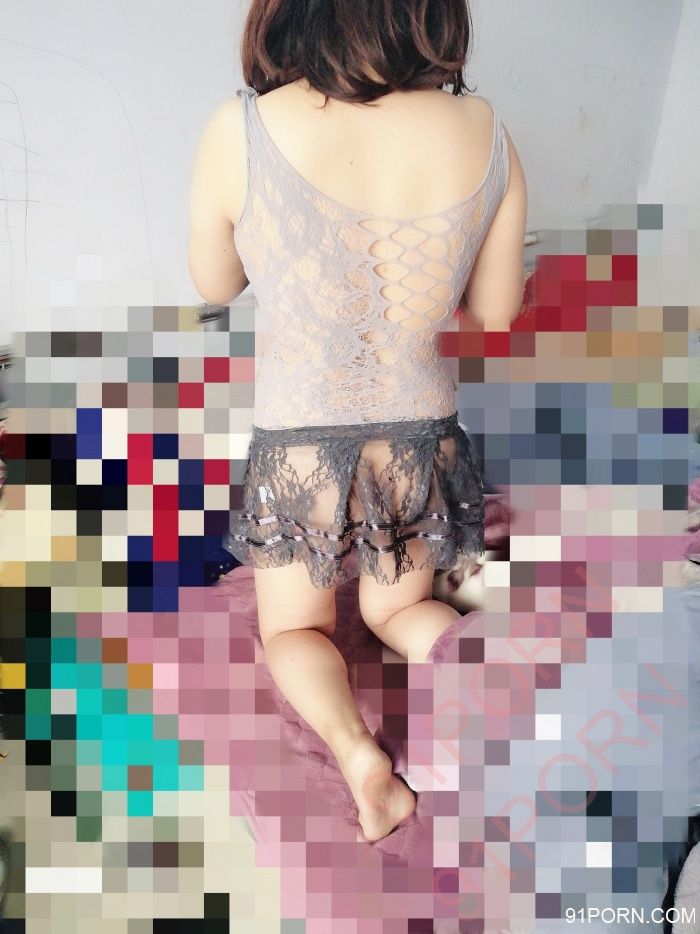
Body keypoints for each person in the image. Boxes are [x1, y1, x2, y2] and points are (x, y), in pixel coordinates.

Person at [188, 0, 527, 842]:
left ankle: (361, 762)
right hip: (420, 436)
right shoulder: (486, 129)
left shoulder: (243, 127)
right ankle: (505, 696)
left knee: (296, 629)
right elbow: (495, 311)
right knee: (397, 612)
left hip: (300, 442)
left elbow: (213, 283)